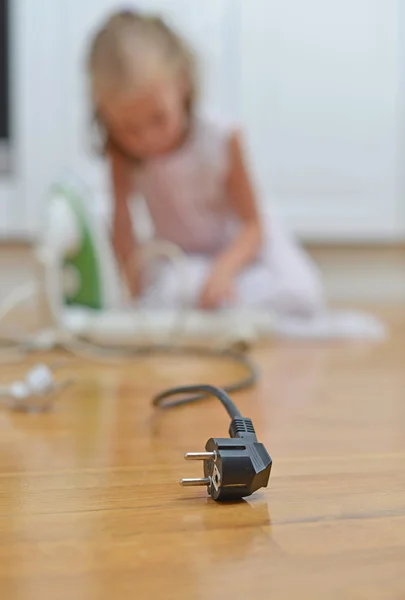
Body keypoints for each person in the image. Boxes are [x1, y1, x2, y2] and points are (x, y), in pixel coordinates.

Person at [87, 9, 324, 315]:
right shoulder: (120, 151)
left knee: (302, 292)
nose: (146, 138)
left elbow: (253, 225)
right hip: (185, 259)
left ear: (183, 83)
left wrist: (224, 270)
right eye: (128, 128)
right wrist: (135, 299)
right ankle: (218, 307)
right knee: (167, 295)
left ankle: (224, 304)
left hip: (244, 253)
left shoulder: (222, 137)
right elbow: (123, 228)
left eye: (158, 119)